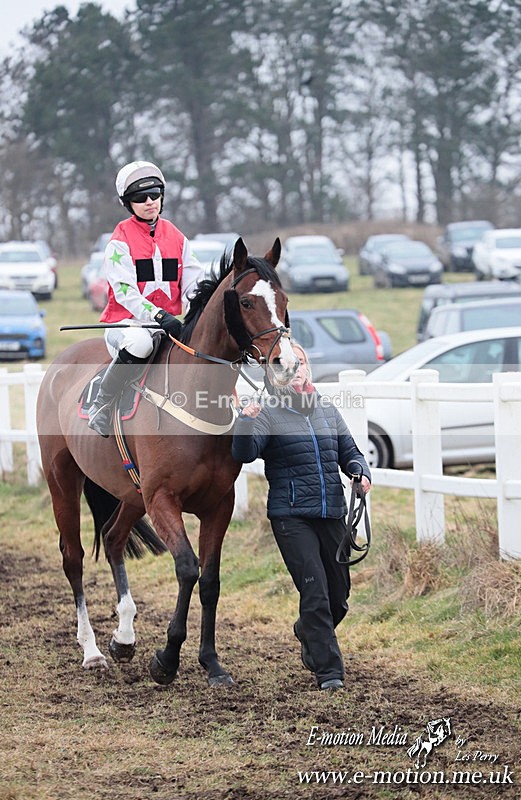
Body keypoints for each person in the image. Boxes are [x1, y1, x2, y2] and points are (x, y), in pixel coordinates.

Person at [231, 344, 371, 691]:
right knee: (316, 591)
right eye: (286, 364)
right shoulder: (265, 411)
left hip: (332, 512)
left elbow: (349, 452)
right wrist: (245, 421)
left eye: (301, 363)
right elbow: (245, 453)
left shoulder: (325, 408)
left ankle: (307, 629)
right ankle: (329, 672)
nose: (296, 369)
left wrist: (359, 472)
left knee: (339, 595)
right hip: (291, 516)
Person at [88, 160, 204, 436]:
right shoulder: (119, 240)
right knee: (141, 343)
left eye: (155, 194)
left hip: (168, 325)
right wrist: (160, 316)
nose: (150, 201)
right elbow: (125, 291)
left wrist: (198, 311)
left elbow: (193, 284)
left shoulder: (177, 237)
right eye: (141, 198)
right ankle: (101, 405)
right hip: (126, 325)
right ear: (128, 204)